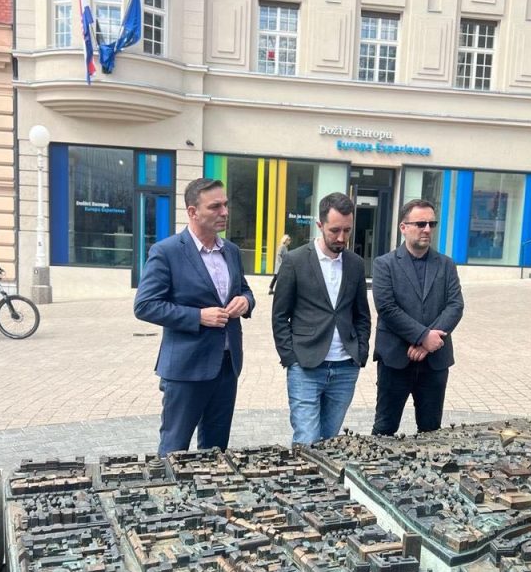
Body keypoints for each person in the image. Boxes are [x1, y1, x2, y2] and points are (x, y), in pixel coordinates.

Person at [134, 178, 255, 456]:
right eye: (215, 206)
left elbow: (245, 290)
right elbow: (145, 305)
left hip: (226, 365)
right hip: (186, 368)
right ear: (192, 212)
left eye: (225, 205)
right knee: (174, 450)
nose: (224, 212)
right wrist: (198, 316)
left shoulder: (231, 251)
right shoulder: (167, 251)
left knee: (216, 451)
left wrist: (245, 302)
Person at [272, 192, 371, 445]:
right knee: (306, 441)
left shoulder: (356, 264)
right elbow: (280, 315)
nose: (342, 238)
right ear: (320, 225)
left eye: (347, 230)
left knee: (330, 443)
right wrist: (290, 358)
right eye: (334, 230)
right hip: (306, 366)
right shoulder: (295, 260)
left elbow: (362, 314)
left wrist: (360, 352)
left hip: (345, 367)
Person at [371, 200, 464, 436]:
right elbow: (387, 308)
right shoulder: (384, 264)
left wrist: (428, 343)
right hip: (396, 359)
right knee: (384, 430)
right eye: (421, 223)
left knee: (431, 431)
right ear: (403, 227)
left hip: (435, 361)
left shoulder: (446, 265)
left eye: (432, 224)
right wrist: (423, 336)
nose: (427, 229)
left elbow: (455, 305)